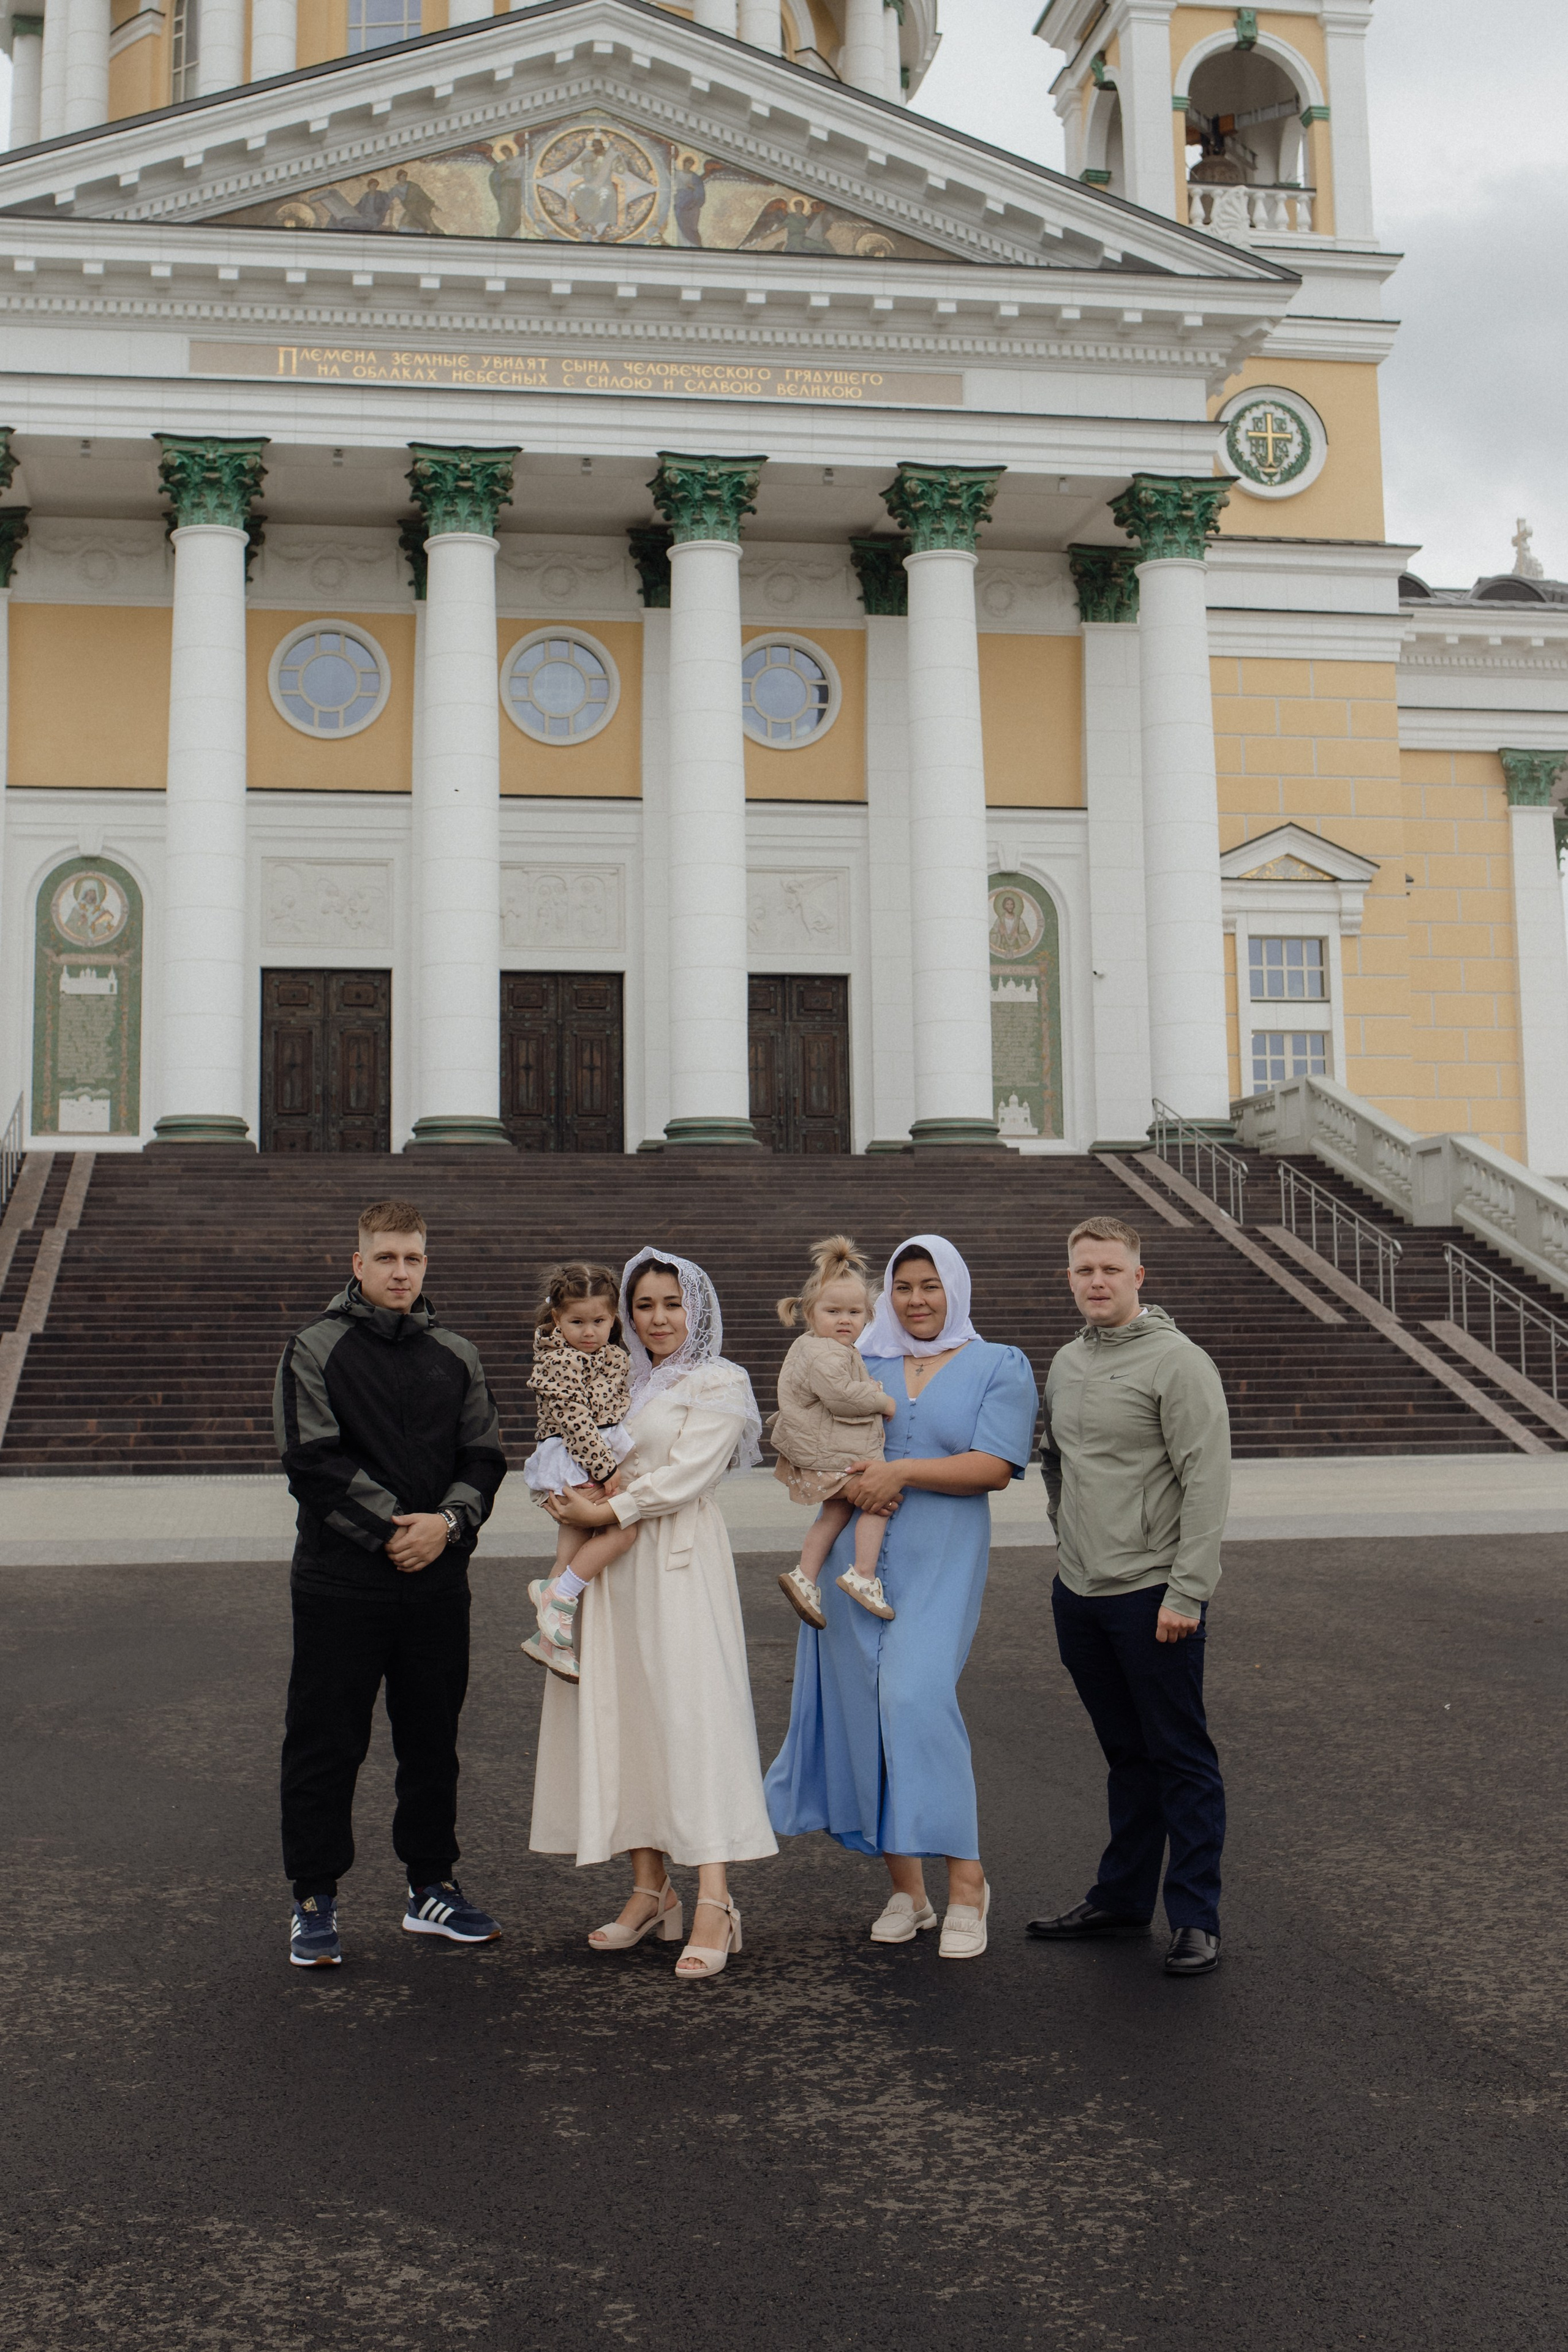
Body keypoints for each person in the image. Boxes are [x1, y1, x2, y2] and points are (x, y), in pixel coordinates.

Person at [764, 1235, 1038, 1961]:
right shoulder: (860, 1359)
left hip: (940, 1555)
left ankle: (969, 1884)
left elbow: (995, 1466)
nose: (916, 1299)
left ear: (955, 1287)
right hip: (854, 1563)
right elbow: (817, 1432)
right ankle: (907, 1893)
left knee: (914, 1697)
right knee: (865, 1711)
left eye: (930, 1285)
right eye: (904, 1287)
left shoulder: (995, 1363)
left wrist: (901, 1473)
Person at [528, 1248, 777, 1981]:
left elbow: (691, 1472)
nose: (657, 1318)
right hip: (615, 1568)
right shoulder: (612, 1372)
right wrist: (567, 1498)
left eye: (671, 1303)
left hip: (680, 1563)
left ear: (694, 1309)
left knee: (693, 1718)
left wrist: (607, 1505)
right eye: (644, 1306)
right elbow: (572, 1447)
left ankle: (716, 1900)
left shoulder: (719, 1379)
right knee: (629, 1716)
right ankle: (650, 1889)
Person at [273, 1199, 507, 1969]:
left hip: (436, 1584)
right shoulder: (315, 1347)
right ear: (358, 1264)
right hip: (342, 1584)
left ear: (425, 1264)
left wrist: (446, 1524)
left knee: (432, 1743)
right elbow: (312, 1460)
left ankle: (431, 1888)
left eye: (412, 1259)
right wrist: (396, 1531)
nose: (400, 1272)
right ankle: (314, 1897)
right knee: (326, 1742)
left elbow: (484, 1457)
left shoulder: (456, 1353)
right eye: (386, 1259)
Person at [1028, 1215, 1231, 1978]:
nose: (1097, 1282)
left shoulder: (1178, 1363)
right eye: (1084, 1270)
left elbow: (1207, 1483)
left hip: (1154, 1595)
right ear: (1070, 1276)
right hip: (1079, 1591)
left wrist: (1188, 1591)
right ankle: (1119, 1901)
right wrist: (1066, 1537)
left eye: (1110, 1269)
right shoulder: (1068, 1360)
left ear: (1138, 1276)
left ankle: (1195, 1918)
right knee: (1125, 1755)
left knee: (1180, 1756)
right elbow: (1056, 1462)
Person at [771, 1234, 899, 1630]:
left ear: (868, 1317)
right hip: (828, 1452)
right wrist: (880, 1399)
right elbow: (842, 1398)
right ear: (810, 1314)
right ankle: (862, 1574)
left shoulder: (826, 1348)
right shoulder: (825, 1352)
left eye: (855, 1312)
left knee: (837, 1511)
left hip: (821, 1448)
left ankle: (804, 1577)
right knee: (880, 1498)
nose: (845, 1320)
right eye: (833, 1311)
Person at [519, 1262, 638, 1683]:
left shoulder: (612, 1357)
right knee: (622, 1532)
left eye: (599, 1321)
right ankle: (557, 1597)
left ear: (613, 1319)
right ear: (557, 1319)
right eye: (577, 1322)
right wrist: (605, 1466)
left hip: (588, 1456)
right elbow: (574, 1419)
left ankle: (550, 1641)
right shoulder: (558, 1360)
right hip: (576, 1458)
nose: (589, 1331)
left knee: (569, 1558)